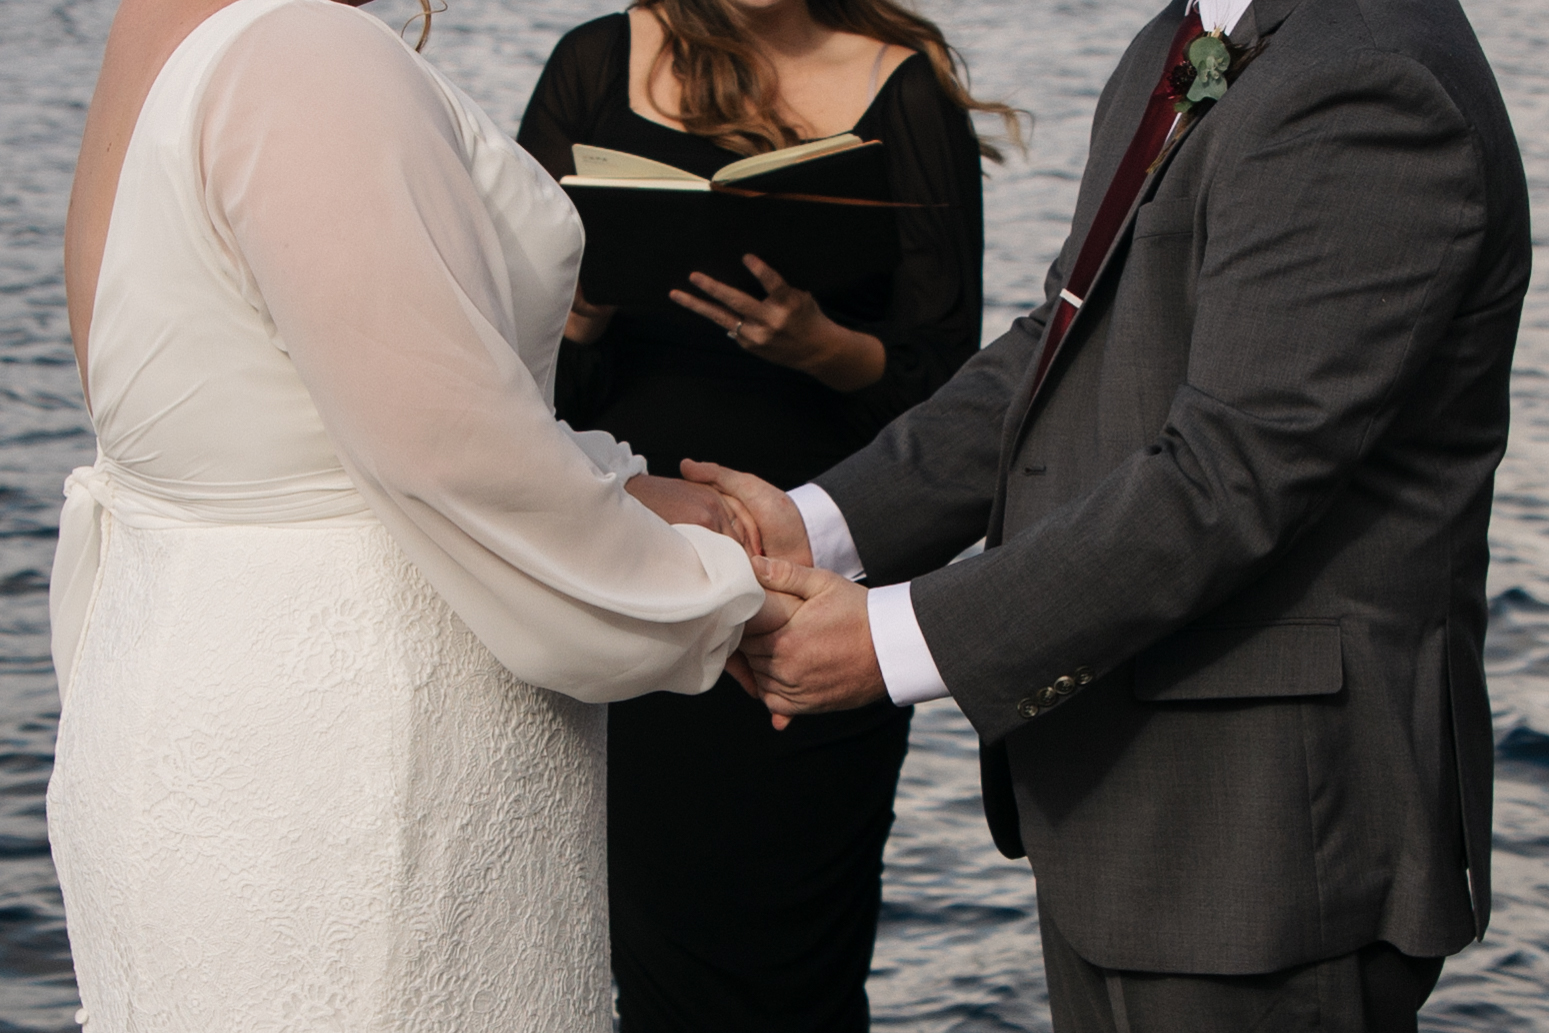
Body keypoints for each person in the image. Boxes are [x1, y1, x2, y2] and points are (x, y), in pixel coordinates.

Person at [692, 0, 1534, 1025]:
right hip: (1128, 806)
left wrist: (891, 639)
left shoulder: (1366, 77)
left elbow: (1232, 474)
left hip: (1268, 835)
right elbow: (1060, 341)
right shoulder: (1181, 41)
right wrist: (819, 523)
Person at [46, 0, 781, 1028]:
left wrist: (616, 487)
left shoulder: (154, 27)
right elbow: (452, 456)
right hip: (357, 768)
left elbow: (260, 419)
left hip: (184, 720)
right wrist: (720, 595)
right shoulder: (304, 51)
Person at [515, 1, 1013, 1026]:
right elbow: (498, 380)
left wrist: (821, 345)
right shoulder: (596, 63)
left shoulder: (900, 86)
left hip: (808, 592)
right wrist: (580, 309)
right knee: (645, 948)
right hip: (624, 570)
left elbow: (949, 389)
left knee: (798, 955)